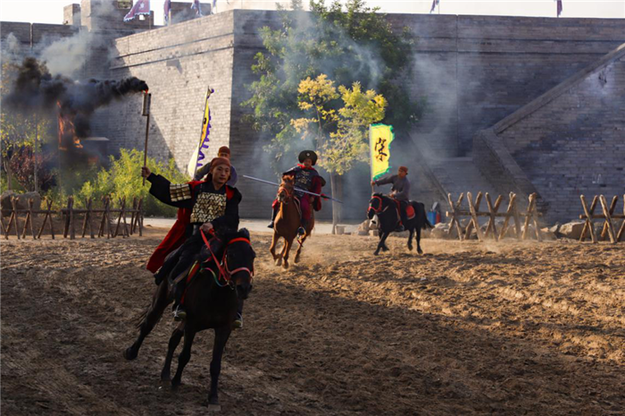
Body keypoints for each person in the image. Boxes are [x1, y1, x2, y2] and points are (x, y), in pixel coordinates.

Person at [142, 157, 242, 322]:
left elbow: (233, 219)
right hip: (197, 238)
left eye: (226, 171)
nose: (223, 173)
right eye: (219, 169)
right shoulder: (196, 188)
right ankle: (179, 303)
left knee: (240, 265)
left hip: (221, 238)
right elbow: (171, 191)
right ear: (211, 171)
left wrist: (214, 223)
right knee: (184, 261)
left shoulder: (232, 195)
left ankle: (237, 312)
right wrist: (151, 176)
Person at [268, 150, 326, 235]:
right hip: (292, 191)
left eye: (309, 161)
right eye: (306, 161)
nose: (307, 163)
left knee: (305, 207)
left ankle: (302, 227)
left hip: (303, 193)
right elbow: (285, 176)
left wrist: (313, 197)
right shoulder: (296, 170)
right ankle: (273, 221)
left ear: (311, 163)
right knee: (277, 202)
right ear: (303, 161)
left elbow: (317, 187)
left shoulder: (314, 174)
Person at [371, 166, 410, 232]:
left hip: (402, 199)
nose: (400, 172)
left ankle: (400, 224)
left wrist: (395, 195)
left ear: (405, 173)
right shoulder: (394, 177)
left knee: (402, 208)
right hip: (392, 197)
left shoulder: (406, 182)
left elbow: (404, 193)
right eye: (399, 171)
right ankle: (379, 222)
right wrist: (376, 182)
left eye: (402, 171)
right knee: (381, 204)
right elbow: (386, 180)